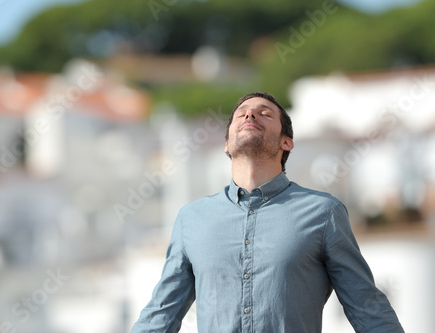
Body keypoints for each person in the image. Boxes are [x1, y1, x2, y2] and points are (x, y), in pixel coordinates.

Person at [131, 92, 404, 332]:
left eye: (265, 113)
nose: (250, 114)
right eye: (242, 114)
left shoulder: (324, 213)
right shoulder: (191, 218)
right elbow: (162, 314)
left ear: (287, 143)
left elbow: (367, 308)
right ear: (226, 144)